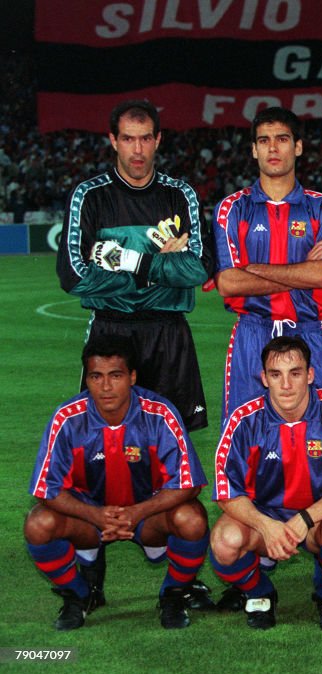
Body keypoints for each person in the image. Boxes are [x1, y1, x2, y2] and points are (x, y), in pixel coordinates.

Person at [24, 336, 213, 631]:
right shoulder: (67, 418)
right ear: (87, 379)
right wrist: (96, 516)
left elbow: (189, 484)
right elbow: (47, 489)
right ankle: (79, 595)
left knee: (192, 519)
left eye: (116, 376)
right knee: (38, 524)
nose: (106, 386)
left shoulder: (160, 413)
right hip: (89, 518)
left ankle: (173, 595)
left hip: (147, 517)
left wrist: (137, 512)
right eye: (96, 377)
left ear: (132, 377)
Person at [56, 99, 214, 431]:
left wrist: (128, 261)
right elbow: (73, 276)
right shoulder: (90, 195)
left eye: (145, 138)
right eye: (128, 139)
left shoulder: (179, 194)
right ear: (114, 141)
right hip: (110, 332)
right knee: (106, 441)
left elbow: (199, 268)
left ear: (158, 139)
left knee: (172, 449)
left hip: (169, 335)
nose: (137, 149)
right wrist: (159, 270)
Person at [209, 337, 322, 631]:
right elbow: (226, 492)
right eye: (276, 375)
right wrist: (264, 525)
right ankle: (260, 593)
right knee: (224, 543)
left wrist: (305, 518)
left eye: (295, 373)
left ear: (310, 375)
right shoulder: (244, 419)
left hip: (321, 516)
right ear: (264, 378)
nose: (286, 384)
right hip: (266, 515)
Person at [213, 106, 322, 429]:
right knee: (246, 433)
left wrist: (253, 269)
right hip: (252, 334)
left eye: (282, 139)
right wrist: (302, 272)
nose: (273, 148)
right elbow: (228, 283)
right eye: (264, 140)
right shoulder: (232, 208)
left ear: (297, 147)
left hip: (308, 331)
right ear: (254, 149)